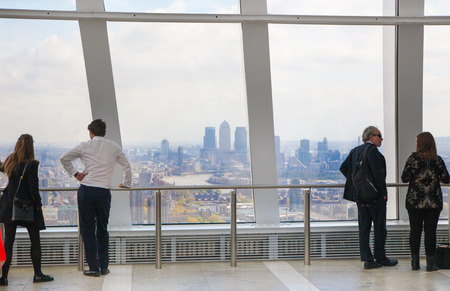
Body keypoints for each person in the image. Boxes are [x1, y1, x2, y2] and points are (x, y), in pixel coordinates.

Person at [60, 119, 132, 277]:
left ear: (91, 132)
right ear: (104, 132)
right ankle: (104, 266)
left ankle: (93, 268)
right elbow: (126, 166)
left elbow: (64, 158)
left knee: (87, 229)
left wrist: (75, 173)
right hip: (103, 192)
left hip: (86, 190)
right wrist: (126, 183)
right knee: (102, 228)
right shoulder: (114, 146)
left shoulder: (84, 145)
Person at [340, 126, 398, 269]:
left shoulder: (355, 151)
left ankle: (367, 260)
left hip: (361, 196)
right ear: (371, 137)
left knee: (364, 229)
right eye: (379, 135)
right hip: (375, 197)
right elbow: (378, 175)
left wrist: (358, 183)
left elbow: (343, 168)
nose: (381, 138)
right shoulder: (372, 151)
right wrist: (383, 193)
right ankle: (380, 257)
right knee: (379, 228)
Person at [0, 134, 53, 286]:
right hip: (27, 207)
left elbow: (1, 167)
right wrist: (38, 205)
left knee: (8, 243)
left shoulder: (11, 160)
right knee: (35, 241)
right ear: (31, 147)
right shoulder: (32, 164)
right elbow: (33, 189)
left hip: (10, 206)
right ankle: (37, 274)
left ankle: (4, 277)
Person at [401, 132, 449, 271]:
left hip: (414, 201)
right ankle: (430, 264)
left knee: (415, 231)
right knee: (430, 232)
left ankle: (415, 263)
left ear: (421, 143)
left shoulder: (412, 159)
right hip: (433, 201)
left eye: (417, 141)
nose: (415, 143)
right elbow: (446, 178)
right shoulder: (437, 160)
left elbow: (404, 177)